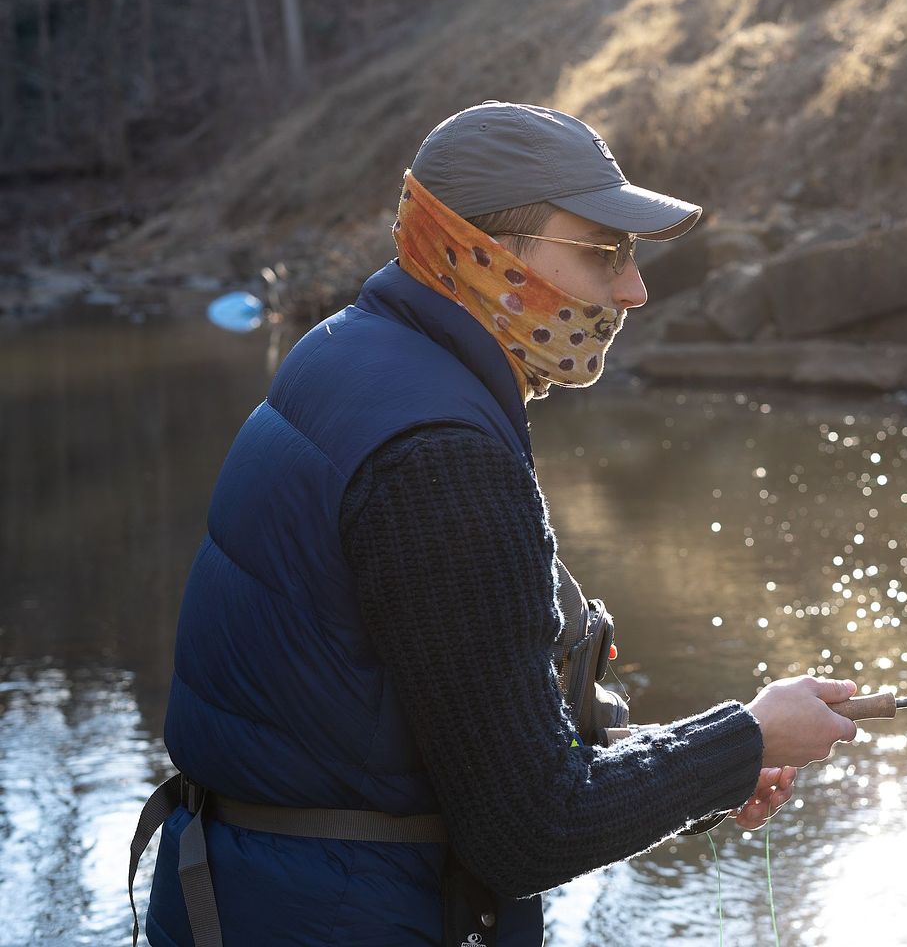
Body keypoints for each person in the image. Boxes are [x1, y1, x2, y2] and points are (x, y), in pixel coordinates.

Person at [135, 102, 859, 946]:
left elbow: (451, 725)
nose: (634, 288)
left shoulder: (348, 352)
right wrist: (745, 739)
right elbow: (529, 830)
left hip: (253, 896)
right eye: (605, 252)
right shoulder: (441, 459)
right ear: (478, 256)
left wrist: (712, 763)